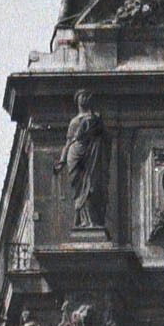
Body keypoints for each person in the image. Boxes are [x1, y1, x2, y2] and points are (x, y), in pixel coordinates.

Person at [54, 90, 109, 233]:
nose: (84, 99)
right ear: (77, 101)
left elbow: (104, 138)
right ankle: (83, 221)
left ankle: (90, 220)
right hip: (75, 154)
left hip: (91, 153)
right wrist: (62, 160)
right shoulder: (74, 121)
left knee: (91, 185)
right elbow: (68, 142)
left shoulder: (96, 118)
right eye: (81, 96)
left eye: (86, 96)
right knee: (79, 188)